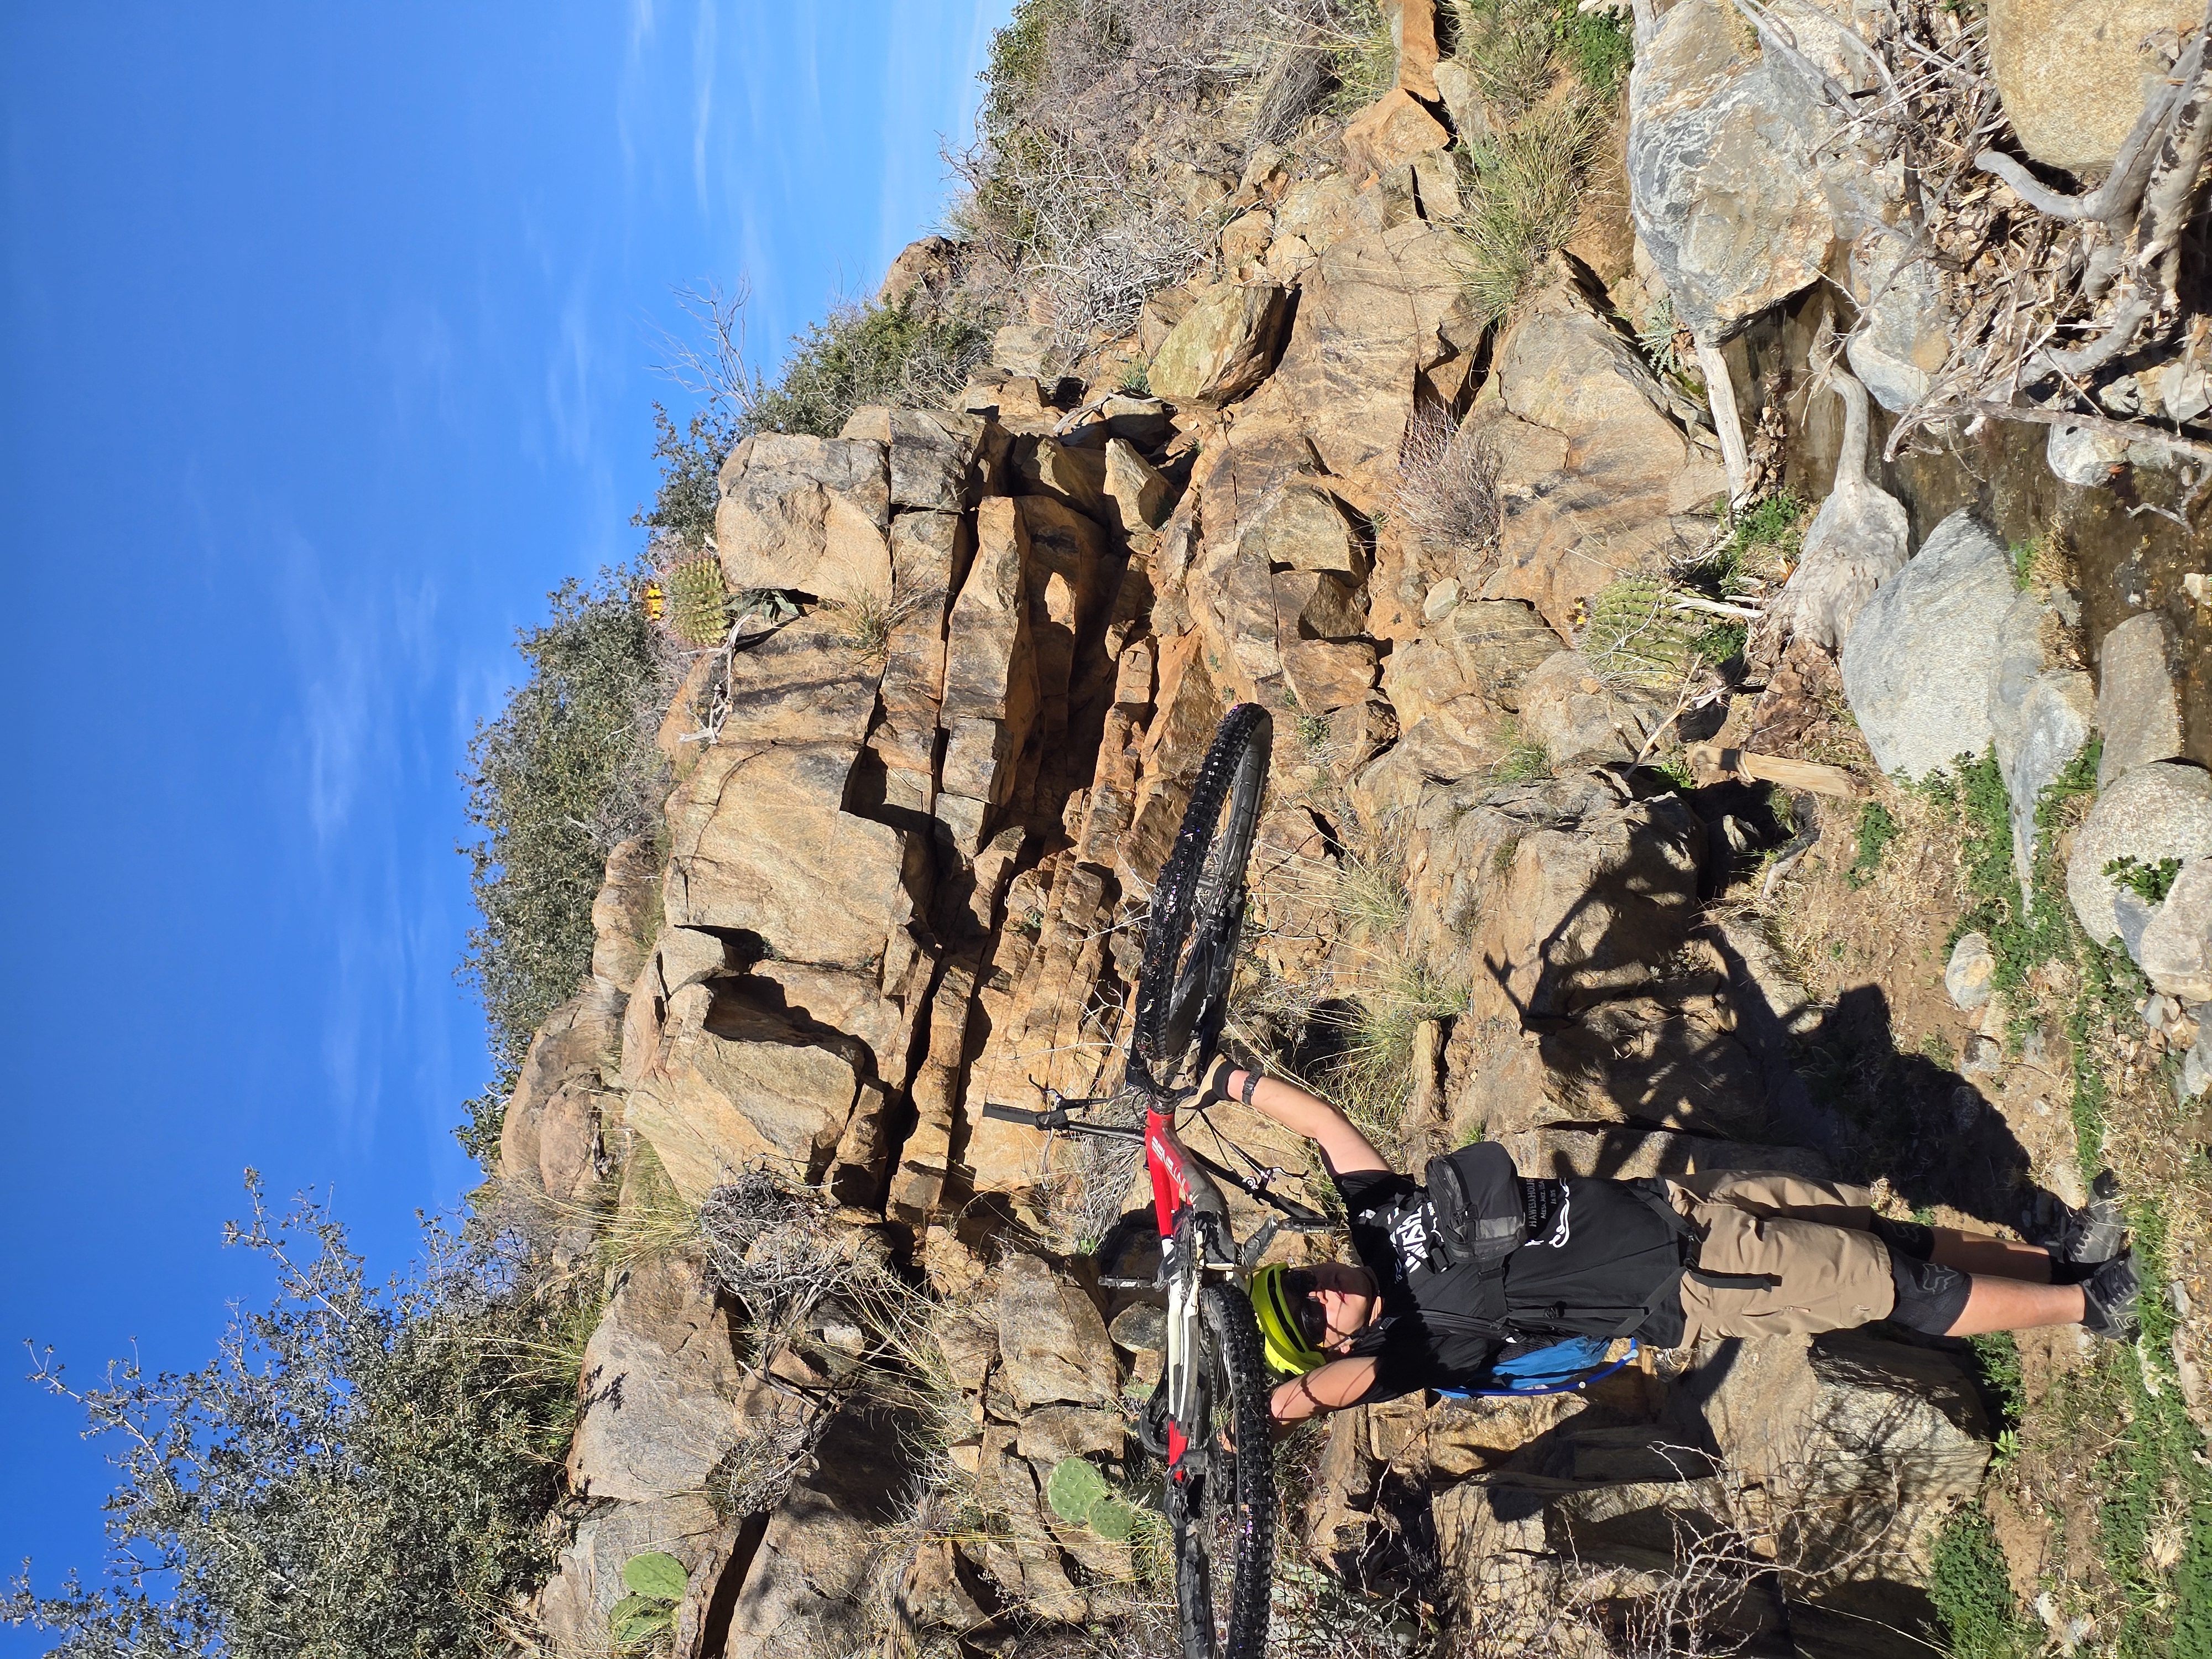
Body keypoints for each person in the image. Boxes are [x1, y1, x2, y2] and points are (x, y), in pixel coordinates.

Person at [1197, 1058, 2140, 1427]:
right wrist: (1267, 1409)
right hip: (1698, 1282)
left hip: (1684, 1209)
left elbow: (1321, 1123)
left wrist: (1226, 1084)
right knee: (1894, 1287)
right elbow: (1331, 1390)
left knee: (1885, 1234)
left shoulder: (1377, 1221)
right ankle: (2092, 1307)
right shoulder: (1415, 1347)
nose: (1321, 1292)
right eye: (1310, 1317)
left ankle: (2066, 1258)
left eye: (1302, 1282)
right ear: (1331, 1345)